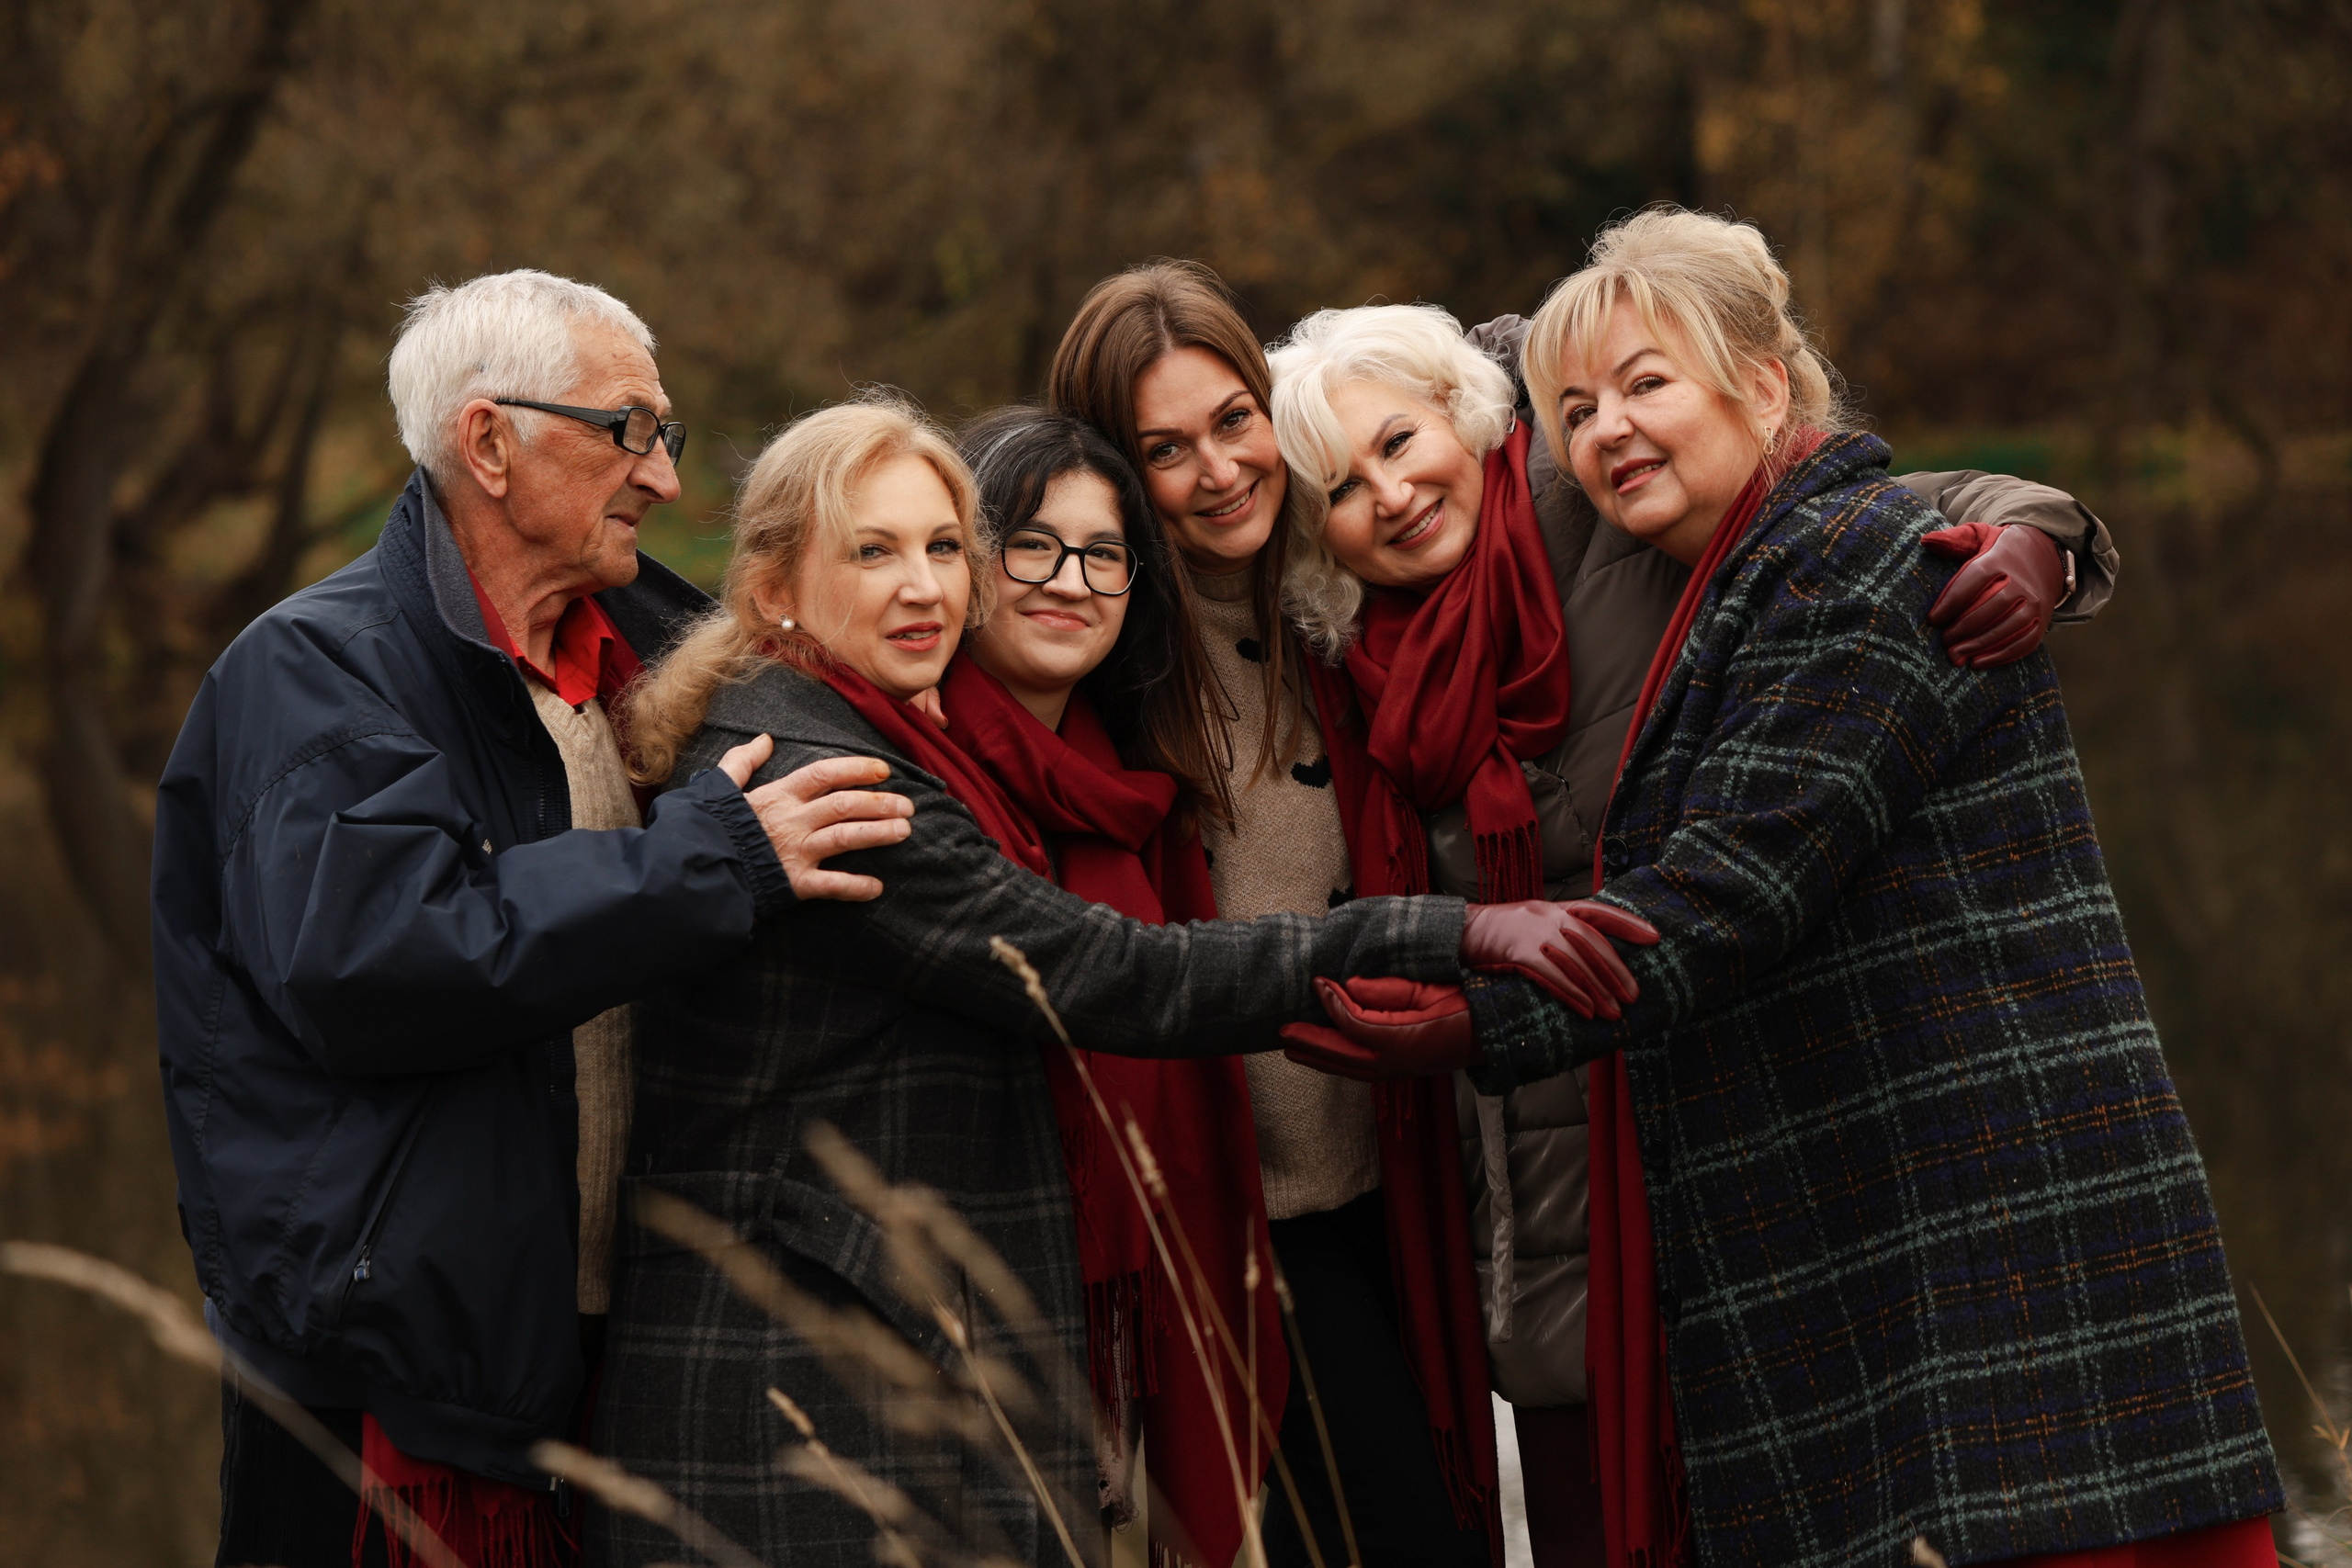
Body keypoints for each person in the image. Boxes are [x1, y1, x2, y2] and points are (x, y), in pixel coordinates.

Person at [1047, 259, 2115, 1568]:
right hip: (1450, 1168)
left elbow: (1825, 505)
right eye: (1167, 449)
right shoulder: (1322, 632)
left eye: (1236, 424)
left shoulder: (1585, 507)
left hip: (1686, 1115)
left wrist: (2037, 526)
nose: (1383, 492)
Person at [1289, 209, 2284, 1568]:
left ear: (1763, 387)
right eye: (1579, 410)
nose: (1609, 428)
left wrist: (1472, 1021)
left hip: (1983, 1188)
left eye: (1647, 385)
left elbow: (1728, 892)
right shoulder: (1712, 575)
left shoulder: (1847, 563)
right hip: (1814, 1175)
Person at [590, 394, 1626, 1567]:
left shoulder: (848, 723)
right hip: (800, 1379)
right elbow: (1111, 968)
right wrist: (1446, 932)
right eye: (873, 552)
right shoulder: (832, 777)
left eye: (943, 548)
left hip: (845, 1347)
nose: (923, 588)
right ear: (776, 584)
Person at [151, 270, 921, 1568]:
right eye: (629, 430)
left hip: (634, 1351)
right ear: (490, 443)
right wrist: (711, 859)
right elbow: (378, 961)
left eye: (664, 435)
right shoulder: (317, 671)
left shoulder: (663, 656)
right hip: (391, 1393)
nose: (663, 477)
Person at [948, 405, 1287, 1564]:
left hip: (1127, 1317)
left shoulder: (1137, 786)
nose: (1070, 582)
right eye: (1032, 545)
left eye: (1103, 554)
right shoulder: (920, 766)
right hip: (976, 1320)